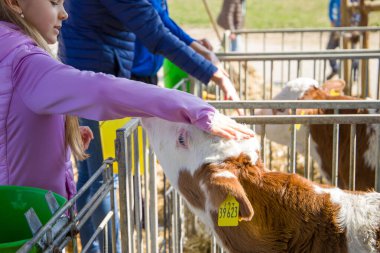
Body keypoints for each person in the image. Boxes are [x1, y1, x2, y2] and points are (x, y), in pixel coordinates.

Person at [0, 0, 253, 252]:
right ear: (14, 3)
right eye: (54, 2)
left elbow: (11, 122)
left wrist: (58, 134)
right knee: (103, 181)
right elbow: (101, 90)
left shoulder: (7, 48)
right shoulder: (26, 61)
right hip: (26, 228)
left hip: (21, 214)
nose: (65, 13)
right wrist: (193, 108)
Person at [131, 0, 219, 85]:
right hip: (133, 70)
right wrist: (193, 45)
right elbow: (160, 23)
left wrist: (193, 43)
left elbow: (163, 18)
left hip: (148, 70)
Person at [326, 0, 361, 80]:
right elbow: (331, 8)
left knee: (353, 52)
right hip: (337, 27)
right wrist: (333, 23)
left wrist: (355, 25)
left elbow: (358, 11)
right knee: (329, 50)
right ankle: (335, 69)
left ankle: (354, 73)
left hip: (350, 27)